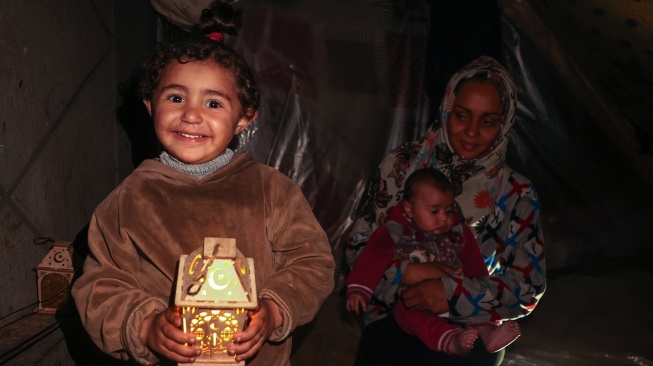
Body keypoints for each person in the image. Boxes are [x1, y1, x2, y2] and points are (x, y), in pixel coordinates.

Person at [71, 2, 335, 365]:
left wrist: (274, 309)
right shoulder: (130, 199)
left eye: (213, 103)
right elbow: (98, 287)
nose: (191, 114)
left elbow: (313, 263)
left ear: (243, 119)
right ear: (150, 106)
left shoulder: (272, 190)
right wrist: (145, 327)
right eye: (176, 97)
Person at [346, 56, 546, 365]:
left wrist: (452, 293)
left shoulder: (516, 193)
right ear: (446, 110)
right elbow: (360, 248)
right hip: (395, 314)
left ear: (504, 124)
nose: (471, 131)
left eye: (488, 121)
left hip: (472, 323)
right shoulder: (402, 167)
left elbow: (528, 285)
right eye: (462, 116)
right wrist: (407, 274)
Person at [346, 168, 521, 356]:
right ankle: (451, 340)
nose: (444, 218)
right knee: (411, 313)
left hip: (455, 294)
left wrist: (477, 295)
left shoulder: (460, 234)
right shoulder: (391, 232)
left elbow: (476, 268)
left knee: (477, 309)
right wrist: (358, 289)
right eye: (434, 211)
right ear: (409, 209)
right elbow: (371, 260)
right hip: (412, 297)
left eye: (449, 210)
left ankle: (488, 334)